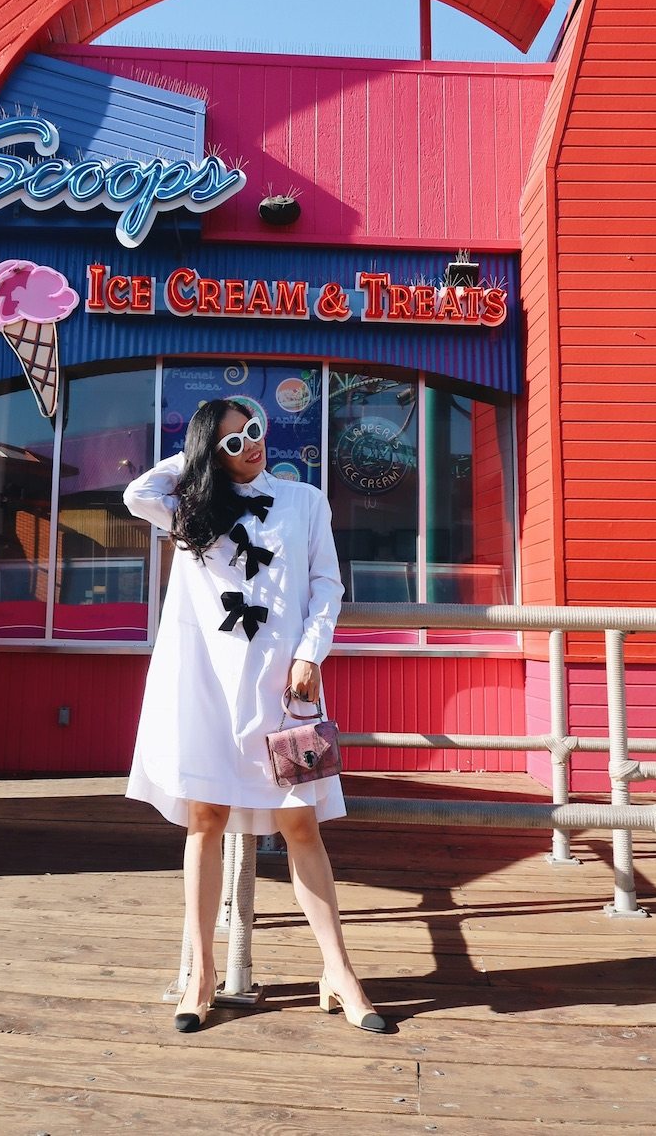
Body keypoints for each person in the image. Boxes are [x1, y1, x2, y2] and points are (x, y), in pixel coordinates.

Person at [123, 397, 386, 1034]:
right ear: (211, 456)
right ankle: (202, 974)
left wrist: (310, 652)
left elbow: (327, 585)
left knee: (301, 824)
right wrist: (198, 459)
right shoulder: (189, 509)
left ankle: (339, 972)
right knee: (205, 818)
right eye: (233, 443)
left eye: (255, 433)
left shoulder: (306, 502)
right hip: (209, 686)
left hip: (284, 689)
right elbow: (137, 491)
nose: (251, 447)